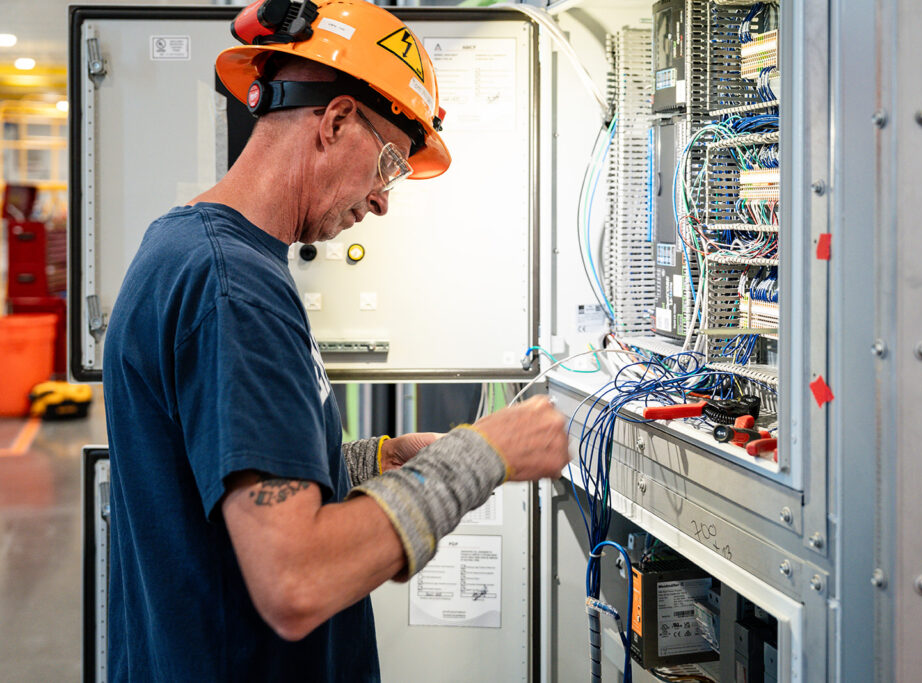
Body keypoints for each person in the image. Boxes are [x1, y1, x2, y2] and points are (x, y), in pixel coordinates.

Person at [101, 1, 570, 680]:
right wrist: (483, 455)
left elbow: (212, 476)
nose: (383, 199)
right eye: (389, 164)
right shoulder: (233, 288)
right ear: (338, 120)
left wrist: (371, 460)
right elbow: (297, 579)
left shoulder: (188, 248)